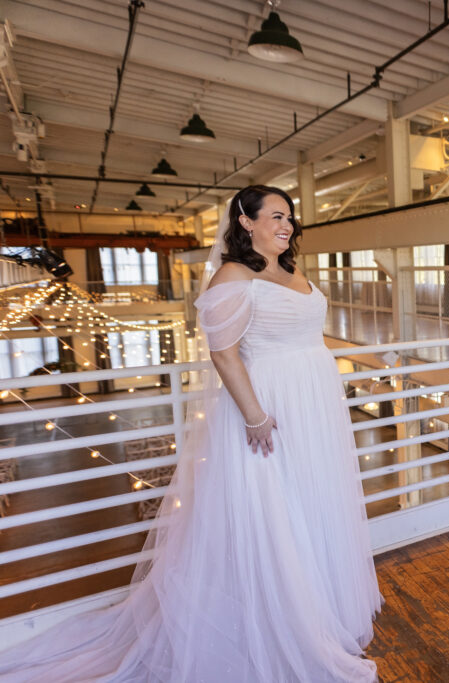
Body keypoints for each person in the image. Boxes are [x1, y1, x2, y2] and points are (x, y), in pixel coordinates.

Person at [0, 185, 381, 682]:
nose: (286, 226)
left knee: (314, 501)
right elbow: (224, 352)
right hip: (270, 404)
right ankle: (282, 624)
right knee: (278, 508)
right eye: (276, 217)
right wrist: (255, 416)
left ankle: (324, 611)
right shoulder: (233, 274)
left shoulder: (292, 271)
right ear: (246, 222)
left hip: (314, 402)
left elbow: (305, 335)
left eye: (290, 218)